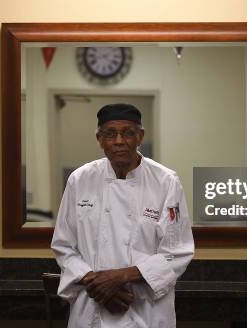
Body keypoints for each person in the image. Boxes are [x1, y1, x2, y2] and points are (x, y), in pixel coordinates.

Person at [51, 103, 195, 328]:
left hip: (144, 308)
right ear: (99, 139)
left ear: (140, 136)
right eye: (110, 134)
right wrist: (99, 285)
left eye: (127, 133)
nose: (119, 141)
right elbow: (64, 246)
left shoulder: (166, 181)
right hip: (93, 307)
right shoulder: (80, 180)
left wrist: (120, 277)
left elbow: (177, 253)